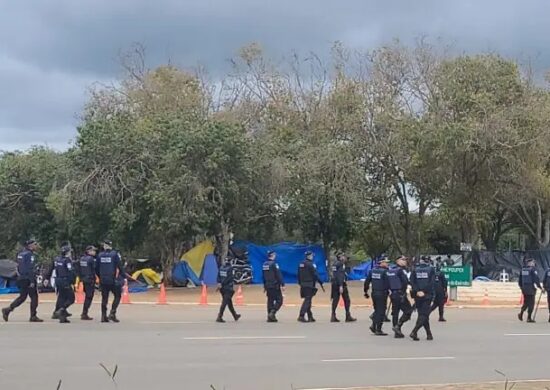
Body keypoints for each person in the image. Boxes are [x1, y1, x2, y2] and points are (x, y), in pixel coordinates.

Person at [2, 239, 43, 322]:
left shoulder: (20, 254)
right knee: (34, 297)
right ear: (30, 246)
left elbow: (18, 267)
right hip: (28, 278)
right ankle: (33, 316)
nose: (36, 246)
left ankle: (8, 309)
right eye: (35, 244)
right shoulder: (30, 255)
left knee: (22, 297)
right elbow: (30, 269)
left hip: (21, 278)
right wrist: (31, 281)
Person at [96, 239, 126, 323]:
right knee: (117, 295)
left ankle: (103, 316)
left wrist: (100, 276)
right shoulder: (114, 255)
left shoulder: (100, 255)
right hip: (112, 279)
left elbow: (96, 268)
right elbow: (119, 266)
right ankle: (112, 313)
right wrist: (124, 276)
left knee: (104, 298)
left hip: (103, 280)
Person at [46, 245, 76, 323]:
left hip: (58, 280)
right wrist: (73, 281)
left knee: (61, 297)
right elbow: (70, 271)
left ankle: (61, 315)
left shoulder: (57, 259)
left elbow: (50, 268)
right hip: (65, 281)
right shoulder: (67, 260)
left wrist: (46, 278)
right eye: (70, 252)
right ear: (67, 252)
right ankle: (61, 310)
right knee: (71, 298)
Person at [409, 256, 436, 341]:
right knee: (424, 315)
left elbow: (412, 282)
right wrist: (424, 291)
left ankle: (429, 334)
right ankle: (414, 331)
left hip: (417, 295)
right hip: (427, 295)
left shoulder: (415, 269)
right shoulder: (431, 269)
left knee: (422, 314)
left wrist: (417, 291)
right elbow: (431, 283)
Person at [387, 257, 412, 338]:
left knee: (395, 312)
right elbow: (405, 282)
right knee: (408, 311)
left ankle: (396, 331)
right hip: (400, 294)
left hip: (393, 294)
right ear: (397, 261)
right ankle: (398, 326)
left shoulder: (390, 270)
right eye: (403, 260)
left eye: (405, 260)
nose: (405, 262)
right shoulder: (400, 271)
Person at [364, 258, 390, 336]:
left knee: (377, 310)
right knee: (381, 311)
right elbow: (388, 283)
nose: (387, 264)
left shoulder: (372, 271)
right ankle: (378, 329)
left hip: (374, 293)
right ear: (381, 263)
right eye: (386, 262)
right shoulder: (385, 272)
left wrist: (365, 291)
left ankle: (374, 325)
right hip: (382, 293)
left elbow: (367, 281)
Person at [297, 251, 324, 323]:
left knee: (308, 300)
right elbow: (315, 274)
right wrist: (321, 281)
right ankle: (301, 315)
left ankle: (310, 316)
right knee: (307, 300)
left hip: (303, 284)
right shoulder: (311, 264)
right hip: (309, 284)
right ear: (309, 256)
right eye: (312, 255)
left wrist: (300, 283)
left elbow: (298, 274)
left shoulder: (301, 264)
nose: (312, 257)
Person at [330, 252, 356, 323]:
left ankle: (333, 315)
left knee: (335, 299)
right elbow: (340, 275)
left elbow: (334, 274)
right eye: (343, 256)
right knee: (347, 300)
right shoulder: (341, 264)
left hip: (334, 283)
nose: (344, 258)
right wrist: (341, 285)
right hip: (340, 283)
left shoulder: (334, 264)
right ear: (340, 257)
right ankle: (348, 316)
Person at [216, 257, 241, 323]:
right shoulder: (230, 268)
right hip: (228, 288)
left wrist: (219, 283)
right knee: (224, 302)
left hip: (222, 288)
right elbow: (229, 278)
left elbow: (218, 277)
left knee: (229, 302)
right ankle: (220, 316)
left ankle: (235, 315)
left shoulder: (221, 268)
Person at [262, 250, 284, 322]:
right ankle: (272, 312)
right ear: (272, 255)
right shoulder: (274, 264)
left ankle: (270, 317)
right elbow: (278, 275)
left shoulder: (265, 264)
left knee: (270, 300)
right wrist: (282, 284)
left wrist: (265, 285)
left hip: (268, 285)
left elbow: (263, 276)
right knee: (279, 300)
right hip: (274, 285)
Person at [518, 258, 542, 323]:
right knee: (531, 303)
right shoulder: (533, 270)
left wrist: (521, 287)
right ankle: (529, 318)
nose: (534, 264)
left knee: (526, 302)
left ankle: (521, 313)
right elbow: (536, 279)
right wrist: (540, 287)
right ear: (530, 263)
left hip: (524, 289)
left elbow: (519, 280)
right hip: (531, 289)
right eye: (533, 262)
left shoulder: (522, 269)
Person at [78, 245, 97, 320]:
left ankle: (84, 312)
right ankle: (84, 313)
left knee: (87, 296)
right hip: (90, 279)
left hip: (84, 279)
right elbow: (94, 269)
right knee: (89, 297)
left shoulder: (82, 258)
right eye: (93, 250)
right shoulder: (91, 259)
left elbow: (79, 269)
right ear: (89, 251)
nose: (94, 252)